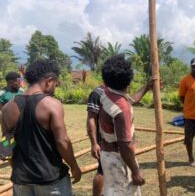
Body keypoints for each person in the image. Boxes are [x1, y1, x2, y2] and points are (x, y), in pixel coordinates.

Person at [1, 60, 81, 196]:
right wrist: (74, 167)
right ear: (49, 81)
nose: (55, 88)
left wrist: (17, 170)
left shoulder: (8, 107)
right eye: (55, 84)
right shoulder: (51, 105)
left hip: (21, 181)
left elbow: (6, 144)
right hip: (50, 180)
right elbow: (63, 142)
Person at [97, 54, 155, 196]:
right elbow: (125, 146)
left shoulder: (106, 93)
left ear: (105, 79)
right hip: (119, 158)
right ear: (128, 82)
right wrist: (135, 171)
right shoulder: (122, 109)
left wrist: (147, 87)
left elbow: (128, 101)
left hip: (107, 155)